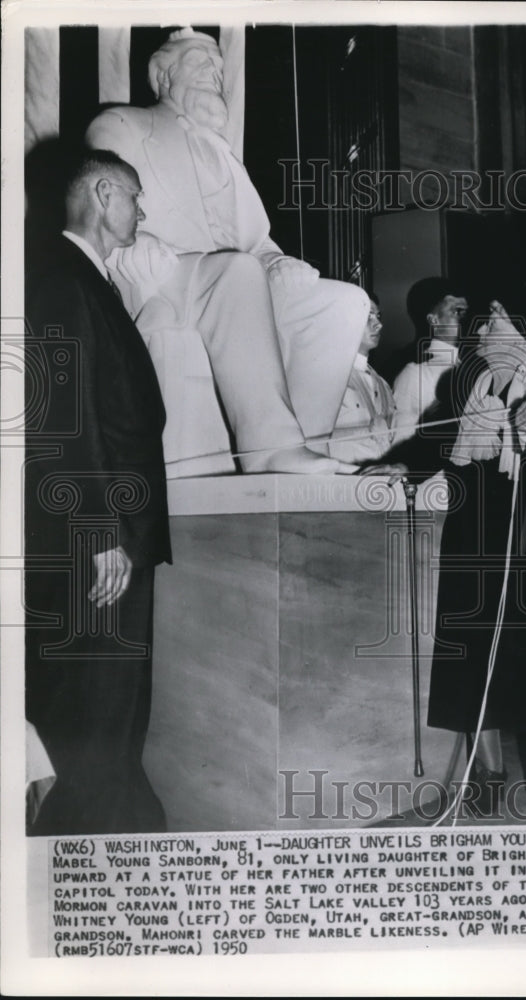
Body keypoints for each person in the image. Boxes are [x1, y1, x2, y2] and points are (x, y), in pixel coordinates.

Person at [85, 27, 369, 474]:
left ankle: (302, 449)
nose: (216, 76)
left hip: (236, 283)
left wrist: (278, 263)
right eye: (202, 65)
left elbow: (258, 241)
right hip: (163, 278)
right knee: (237, 274)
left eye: (219, 69)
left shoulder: (224, 156)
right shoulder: (121, 124)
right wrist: (137, 246)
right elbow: (103, 209)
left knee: (342, 303)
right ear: (164, 77)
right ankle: (269, 447)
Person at [367, 300, 526, 813]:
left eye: (507, 322)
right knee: (473, 648)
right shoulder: (463, 384)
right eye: (487, 327)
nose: (495, 326)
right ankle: (489, 763)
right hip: (472, 534)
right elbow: (434, 439)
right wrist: (400, 469)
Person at [25, 150, 171, 834]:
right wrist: (100, 533)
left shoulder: (84, 280)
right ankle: (92, 857)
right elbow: (64, 421)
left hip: (115, 535)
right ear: (103, 193)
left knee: (113, 709)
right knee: (94, 709)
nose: (142, 213)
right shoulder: (61, 280)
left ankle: (118, 838)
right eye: (135, 198)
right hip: (100, 542)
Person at [391, 278, 468, 443]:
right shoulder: (416, 373)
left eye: (466, 312)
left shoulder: (470, 365)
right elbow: (402, 440)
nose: (464, 318)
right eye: (456, 312)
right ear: (434, 320)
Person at [326, 298, 396, 464]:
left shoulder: (383, 385)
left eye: (378, 316)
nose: (379, 324)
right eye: (368, 317)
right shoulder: (326, 379)